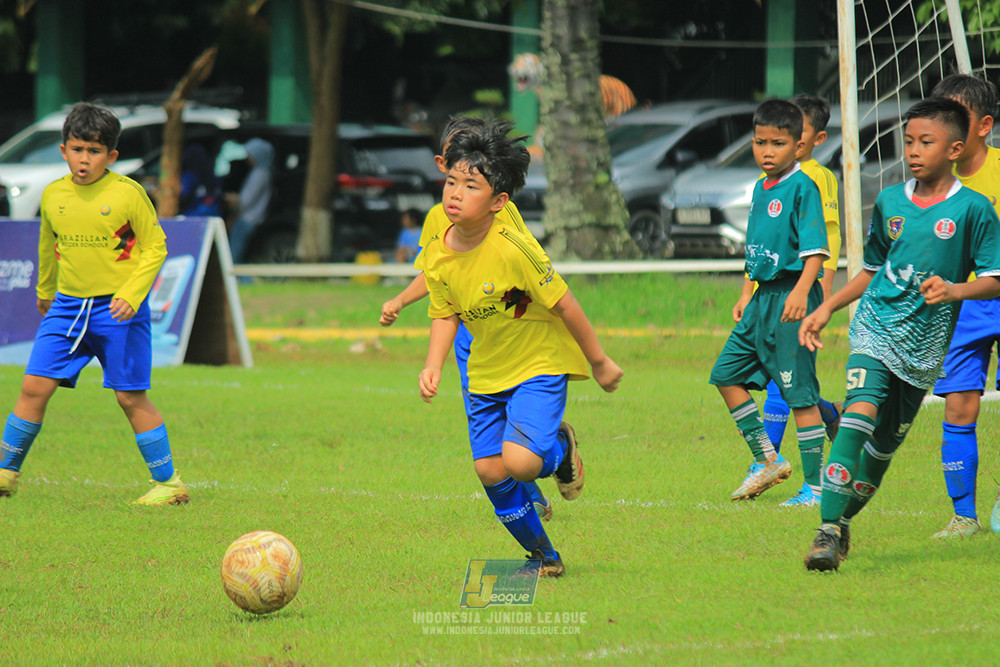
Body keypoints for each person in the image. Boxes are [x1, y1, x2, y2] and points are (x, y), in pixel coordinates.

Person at [801, 97, 1000, 572]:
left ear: (955, 149)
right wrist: (827, 306)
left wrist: (955, 290)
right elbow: (871, 269)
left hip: (926, 347)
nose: (913, 151)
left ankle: (840, 522)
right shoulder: (890, 201)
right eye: (908, 141)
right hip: (876, 327)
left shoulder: (974, 210)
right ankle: (825, 531)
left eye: (925, 142)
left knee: (879, 455)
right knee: (859, 416)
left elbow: (995, 278)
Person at [418, 120, 623, 577]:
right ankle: (544, 556)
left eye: (471, 186)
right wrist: (433, 364)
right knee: (491, 471)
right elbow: (445, 311)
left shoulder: (514, 248)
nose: (455, 194)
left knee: (522, 464)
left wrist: (599, 361)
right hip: (485, 371)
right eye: (451, 182)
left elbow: (565, 303)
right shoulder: (438, 251)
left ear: (498, 201)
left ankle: (559, 450)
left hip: (537, 363)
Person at [0, 102, 189, 506]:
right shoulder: (54, 194)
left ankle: (169, 484)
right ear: (64, 150)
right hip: (67, 308)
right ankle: (6, 473)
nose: (84, 159)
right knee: (33, 386)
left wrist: (132, 294)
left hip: (117, 310)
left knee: (129, 396)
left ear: (111, 155)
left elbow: (155, 247)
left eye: (94, 151)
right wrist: (45, 291)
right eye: (77, 149)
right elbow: (48, 245)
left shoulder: (127, 194)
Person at [380, 115, 556, 521]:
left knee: (518, 420)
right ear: (443, 164)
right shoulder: (435, 219)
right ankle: (529, 493)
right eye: (456, 164)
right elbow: (435, 275)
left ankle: (548, 458)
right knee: (491, 430)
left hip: (509, 329)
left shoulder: (499, 211)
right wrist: (401, 300)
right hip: (467, 336)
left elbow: (523, 268)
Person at [709, 98, 830, 503]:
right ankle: (768, 459)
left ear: (798, 146)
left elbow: (816, 251)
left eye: (778, 143)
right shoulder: (762, 188)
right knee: (725, 375)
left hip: (793, 297)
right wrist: (746, 293)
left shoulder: (803, 187)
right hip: (762, 300)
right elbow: (756, 247)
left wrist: (801, 292)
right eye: (760, 142)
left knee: (800, 396)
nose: (767, 151)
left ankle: (816, 487)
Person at [751, 94, 844, 507]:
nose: (781, 145)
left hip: (802, 289)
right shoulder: (769, 182)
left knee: (784, 381)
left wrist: (820, 291)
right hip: (772, 291)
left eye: (790, 137)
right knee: (786, 381)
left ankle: (767, 462)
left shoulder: (815, 178)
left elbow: (825, 237)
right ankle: (830, 416)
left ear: (812, 139)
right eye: (767, 140)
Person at [923, 75, 1000, 539]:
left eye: (955, 117)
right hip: (960, 306)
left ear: (984, 126)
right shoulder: (930, 185)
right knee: (958, 407)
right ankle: (964, 515)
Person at [226, 138, 274, 264]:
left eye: (250, 155)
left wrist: (230, 199)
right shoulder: (261, 172)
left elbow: (246, 200)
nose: (248, 158)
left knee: (234, 257)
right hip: (247, 218)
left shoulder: (260, 174)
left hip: (248, 219)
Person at [179, 143, 221, 217]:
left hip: (192, 217)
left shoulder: (189, 177)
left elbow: (183, 195)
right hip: (215, 217)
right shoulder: (217, 178)